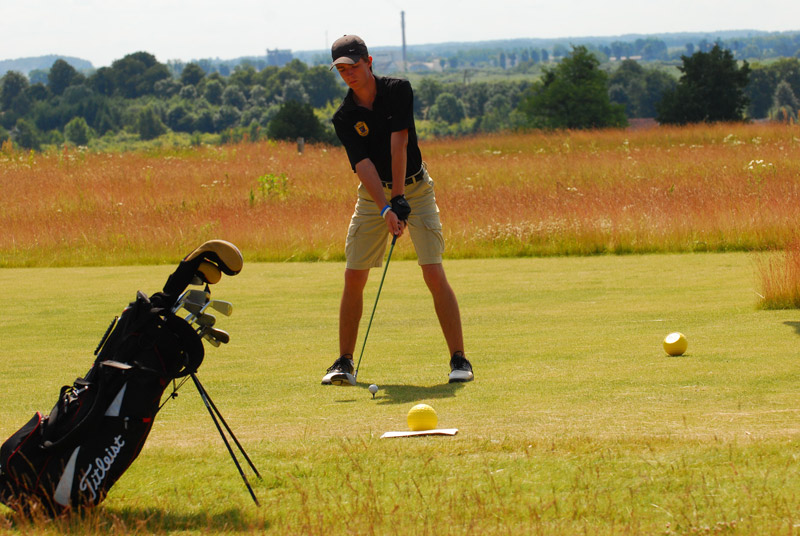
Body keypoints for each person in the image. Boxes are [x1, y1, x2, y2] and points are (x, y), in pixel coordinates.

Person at [321, 35, 473, 386]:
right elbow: (363, 165)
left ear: (369, 61)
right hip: (374, 196)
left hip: (415, 189)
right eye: (341, 69)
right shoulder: (344, 116)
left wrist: (401, 199)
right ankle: (343, 363)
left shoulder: (398, 90)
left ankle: (460, 359)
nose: (348, 74)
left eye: (353, 67)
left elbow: (399, 142)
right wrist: (387, 207)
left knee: (432, 272)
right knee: (353, 275)